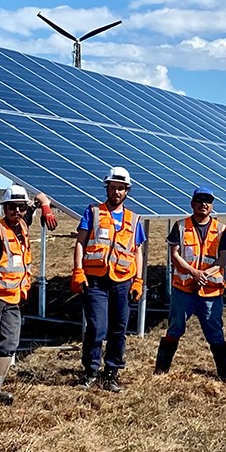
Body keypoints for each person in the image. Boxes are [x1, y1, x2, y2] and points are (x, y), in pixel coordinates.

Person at [0, 185, 58, 403]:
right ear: (5, 208)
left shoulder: (23, 223)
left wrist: (46, 208)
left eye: (21, 207)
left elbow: (40, 195)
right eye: (12, 207)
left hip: (14, 298)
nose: (17, 212)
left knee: (9, 341)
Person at [71, 166, 146, 391]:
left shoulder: (134, 219)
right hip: (95, 280)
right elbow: (80, 242)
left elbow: (138, 251)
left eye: (121, 189)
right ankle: (91, 371)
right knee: (96, 326)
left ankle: (112, 372)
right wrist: (77, 270)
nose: (116, 192)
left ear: (127, 191)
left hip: (123, 281)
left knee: (118, 328)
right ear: (107, 188)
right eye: (113, 188)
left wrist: (139, 280)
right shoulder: (93, 212)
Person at [154, 185, 226, 380]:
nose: (203, 204)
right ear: (192, 203)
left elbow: (224, 257)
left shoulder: (220, 229)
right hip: (184, 290)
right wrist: (193, 272)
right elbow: (174, 255)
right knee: (174, 329)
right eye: (199, 200)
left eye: (207, 201)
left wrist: (206, 274)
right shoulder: (180, 226)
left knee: (215, 333)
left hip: (211, 292)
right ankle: (160, 371)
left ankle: (225, 375)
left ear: (212, 205)